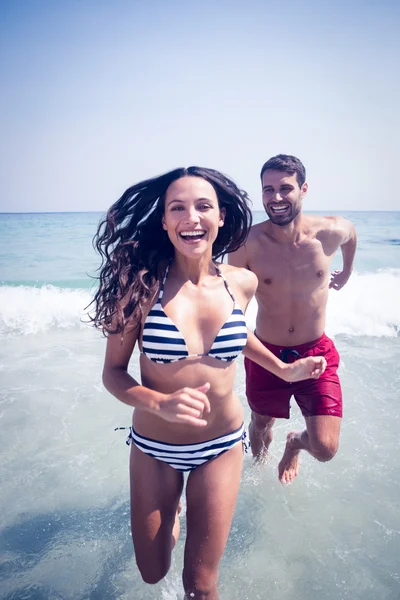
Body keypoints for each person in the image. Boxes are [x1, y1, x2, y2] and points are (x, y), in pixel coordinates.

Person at [90, 166, 327, 599]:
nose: (191, 217)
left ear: (221, 217)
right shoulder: (139, 287)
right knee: (152, 571)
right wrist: (156, 402)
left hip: (221, 444)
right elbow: (112, 372)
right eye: (177, 208)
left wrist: (284, 369)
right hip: (156, 448)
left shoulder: (242, 281)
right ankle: (172, 517)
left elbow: (241, 338)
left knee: (200, 586)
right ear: (163, 221)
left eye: (203, 206)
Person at [229, 154, 357, 485]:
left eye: (285, 188)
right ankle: (259, 480)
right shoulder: (246, 244)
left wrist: (346, 273)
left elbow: (351, 233)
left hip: (316, 353)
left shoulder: (330, 232)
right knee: (260, 426)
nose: (276, 198)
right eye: (268, 190)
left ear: (304, 189)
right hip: (266, 353)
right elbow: (233, 316)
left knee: (325, 447)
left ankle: (295, 444)